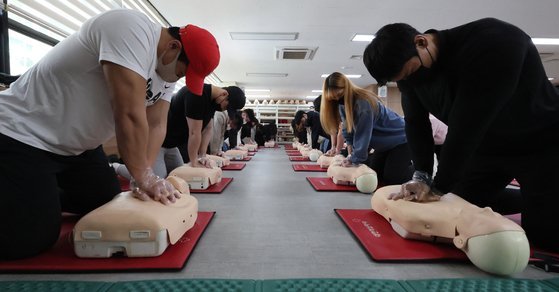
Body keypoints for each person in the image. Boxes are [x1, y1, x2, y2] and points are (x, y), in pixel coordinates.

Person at [0, 9, 220, 259]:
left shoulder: (165, 71)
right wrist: (143, 175)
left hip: (78, 150)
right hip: (23, 135)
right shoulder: (130, 28)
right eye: (182, 72)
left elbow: (157, 123)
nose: (178, 79)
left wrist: (143, 175)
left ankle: (34, 195)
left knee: (104, 200)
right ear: (172, 46)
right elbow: (128, 113)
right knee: (29, 239)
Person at [363, 18, 559, 252]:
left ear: (421, 41)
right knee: (452, 211)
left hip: (541, 145)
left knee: (544, 237)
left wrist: (438, 186)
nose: (408, 82)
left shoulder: (494, 40)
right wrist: (422, 176)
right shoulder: (411, 74)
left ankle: (542, 203)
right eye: (402, 79)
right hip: (487, 149)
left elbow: (467, 125)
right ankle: (535, 201)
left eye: (410, 73)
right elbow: (416, 123)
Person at [321, 72, 414, 185]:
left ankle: (420, 173)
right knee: (376, 175)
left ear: (347, 89)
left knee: (392, 179)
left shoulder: (363, 103)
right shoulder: (342, 105)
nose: (338, 100)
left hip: (402, 138)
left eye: (340, 95)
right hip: (384, 144)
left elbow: (363, 135)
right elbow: (347, 130)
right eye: (334, 98)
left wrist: (354, 159)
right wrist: (351, 155)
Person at [164, 84, 246, 168]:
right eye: (226, 107)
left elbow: (208, 129)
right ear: (224, 94)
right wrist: (194, 161)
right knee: (161, 176)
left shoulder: (212, 102)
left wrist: (202, 156)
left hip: (173, 145)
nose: (224, 109)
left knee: (179, 175)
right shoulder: (197, 95)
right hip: (161, 142)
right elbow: (194, 132)